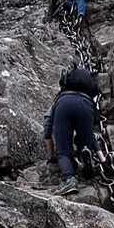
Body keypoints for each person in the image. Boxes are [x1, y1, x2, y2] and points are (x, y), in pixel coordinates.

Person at [43, 66, 100, 195]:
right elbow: (92, 134)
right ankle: (85, 153)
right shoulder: (89, 97)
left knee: (63, 151)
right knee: (85, 142)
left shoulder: (60, 97)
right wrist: (102, 158)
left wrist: (51, 156)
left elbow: (48, 124)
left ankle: (69, 179)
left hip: (64, 105)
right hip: (86, 105)